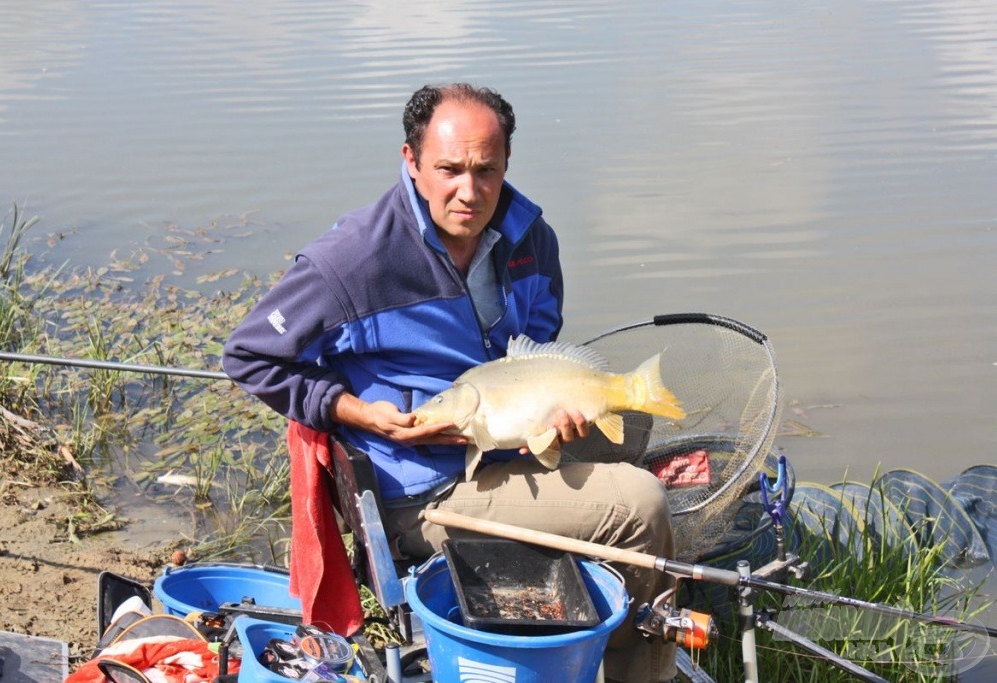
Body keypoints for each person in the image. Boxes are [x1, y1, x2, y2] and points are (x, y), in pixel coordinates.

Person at [222, 83, 676, 682]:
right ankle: (635, 672)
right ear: (410, 162)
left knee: (634, 426)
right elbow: (250, 355)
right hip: (421, 494)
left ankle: (588, 612)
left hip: (499, 441)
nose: (470, 191)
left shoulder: (531, 239)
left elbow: (536, 347)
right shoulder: (355, 261)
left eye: (486, 170)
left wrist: (555, 418)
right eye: (449, 170)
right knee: (641, 505)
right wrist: (355, 412)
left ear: (506, 163)